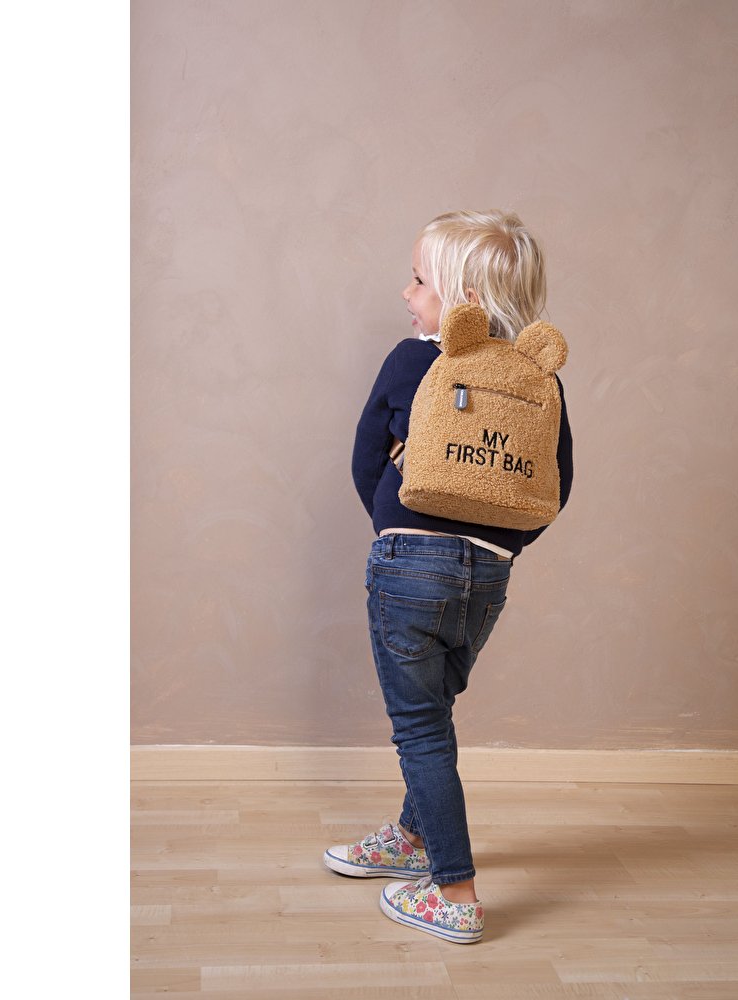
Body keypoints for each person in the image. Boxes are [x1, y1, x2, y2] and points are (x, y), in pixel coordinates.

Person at [323, 209, 574, 944]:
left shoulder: (413, 361)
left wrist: (394, 529)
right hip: (487, 578)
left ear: (462, 294)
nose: (406, 293)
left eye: (419, 280)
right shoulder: (537, 379)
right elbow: (555, 485)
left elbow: (365, 457)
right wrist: (500, 545)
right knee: (432, 713)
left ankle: (454, 891)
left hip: (408, 567)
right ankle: (413, 835)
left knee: (419, 729)